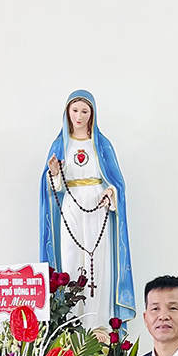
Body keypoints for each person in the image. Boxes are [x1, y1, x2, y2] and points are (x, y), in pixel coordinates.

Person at [40, 89, 135, 329]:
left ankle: (98, 323)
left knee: (98, 264)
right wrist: (54, 173)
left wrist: (110, 192)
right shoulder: (60, 144)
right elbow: (53, 188)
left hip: (97, 207)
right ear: (67, 113)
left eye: (85, 111)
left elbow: (117, 182)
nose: (79, 116)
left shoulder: (101, 145)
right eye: (75, 111)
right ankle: (71, 324)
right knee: (70, 260)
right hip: (71, 207)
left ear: (92, 114)